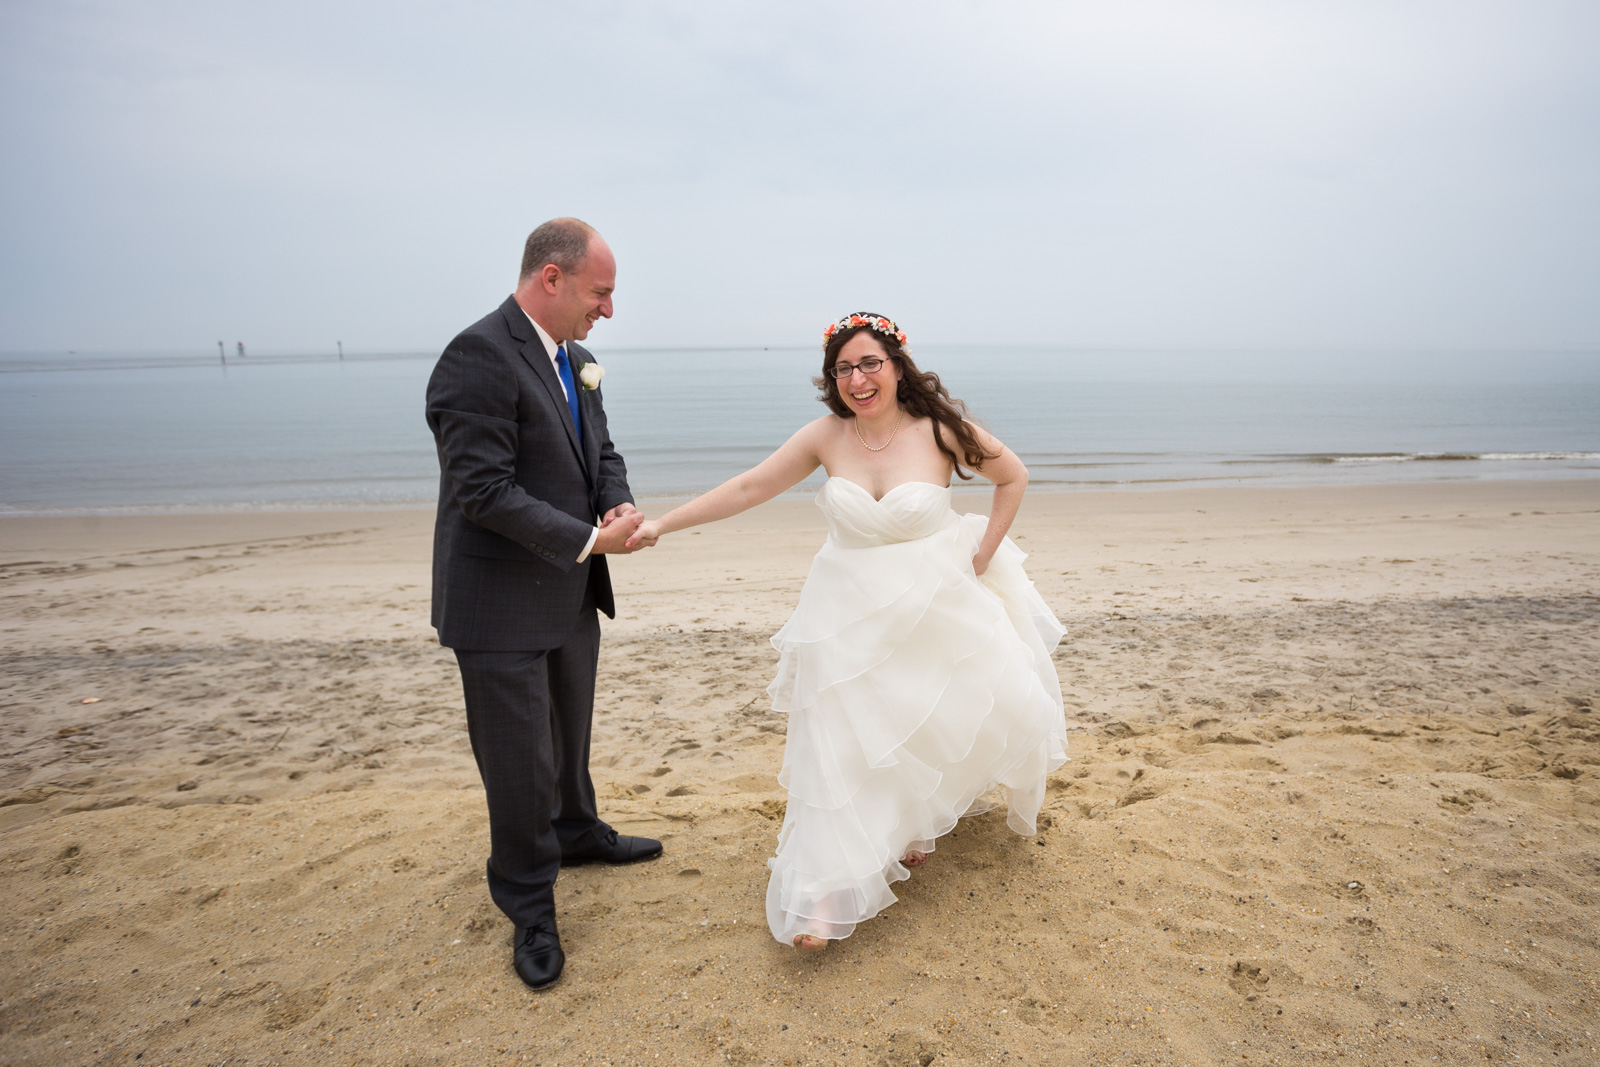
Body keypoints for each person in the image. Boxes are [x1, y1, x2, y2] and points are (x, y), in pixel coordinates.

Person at [627, 312, 1068, 950]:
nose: (857, 380)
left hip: (931, 604)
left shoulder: (940, 430)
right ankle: (827, 899)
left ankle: (912, 824)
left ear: (896, 366)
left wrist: (979, 557)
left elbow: (1012, 477)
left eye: (869, 364)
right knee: (841, 745)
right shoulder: (825, 437)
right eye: (843, 369)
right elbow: (751, 487)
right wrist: (662, 526)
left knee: (922, 723)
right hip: (846, 612)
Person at [426, 218, 662, 991]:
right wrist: (592, 543)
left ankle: (576, 830)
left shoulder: (579, 360)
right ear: (550, 279)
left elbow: (602, 453)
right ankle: (529, 903)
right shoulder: (477, 356)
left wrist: (617, 504)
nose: (610, 310)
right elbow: (483, 490)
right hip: (497, 603)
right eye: (602, 292)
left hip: (566, 590)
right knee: (518, 759)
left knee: (568, 726)